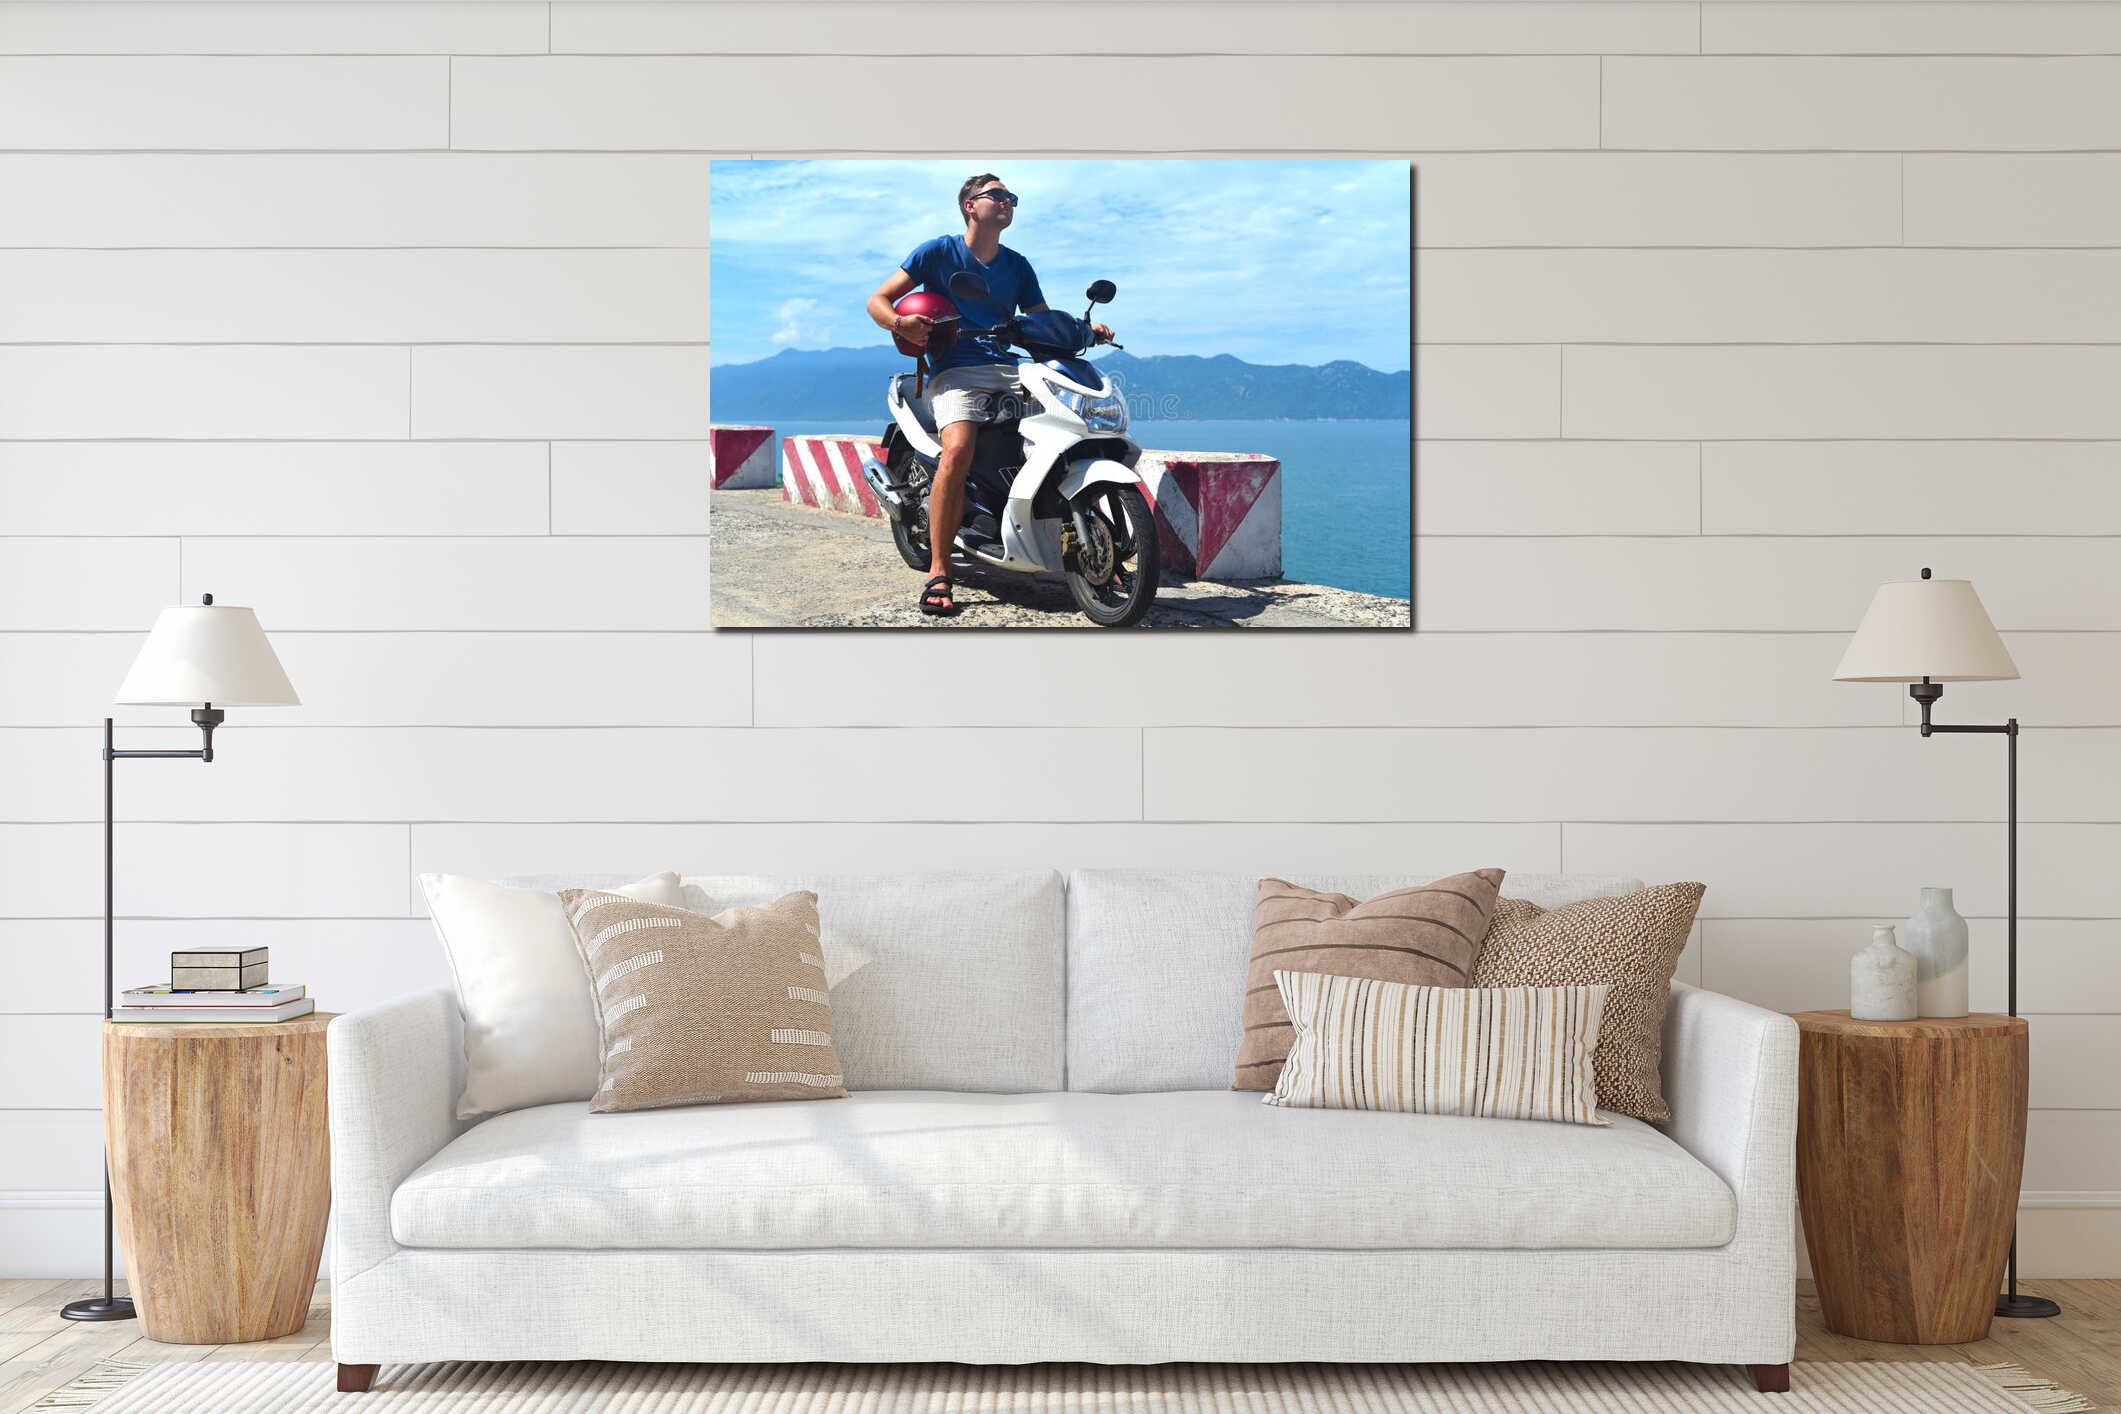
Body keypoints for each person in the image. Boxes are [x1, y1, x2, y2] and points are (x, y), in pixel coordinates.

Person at [867, 172, 1113, 616]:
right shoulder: (938, 252)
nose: (1007, 202)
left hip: (1011, 368)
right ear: (970, 205)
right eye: (997, 195)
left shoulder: (1017, 265)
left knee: (1066, 430)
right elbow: (878, 300)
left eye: (1011, 197)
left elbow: (1040, 321)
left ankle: (1078, 537)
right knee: (958, 449)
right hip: (957, 369)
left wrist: (1083, 331)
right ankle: (940, 570)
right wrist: (900, 324)